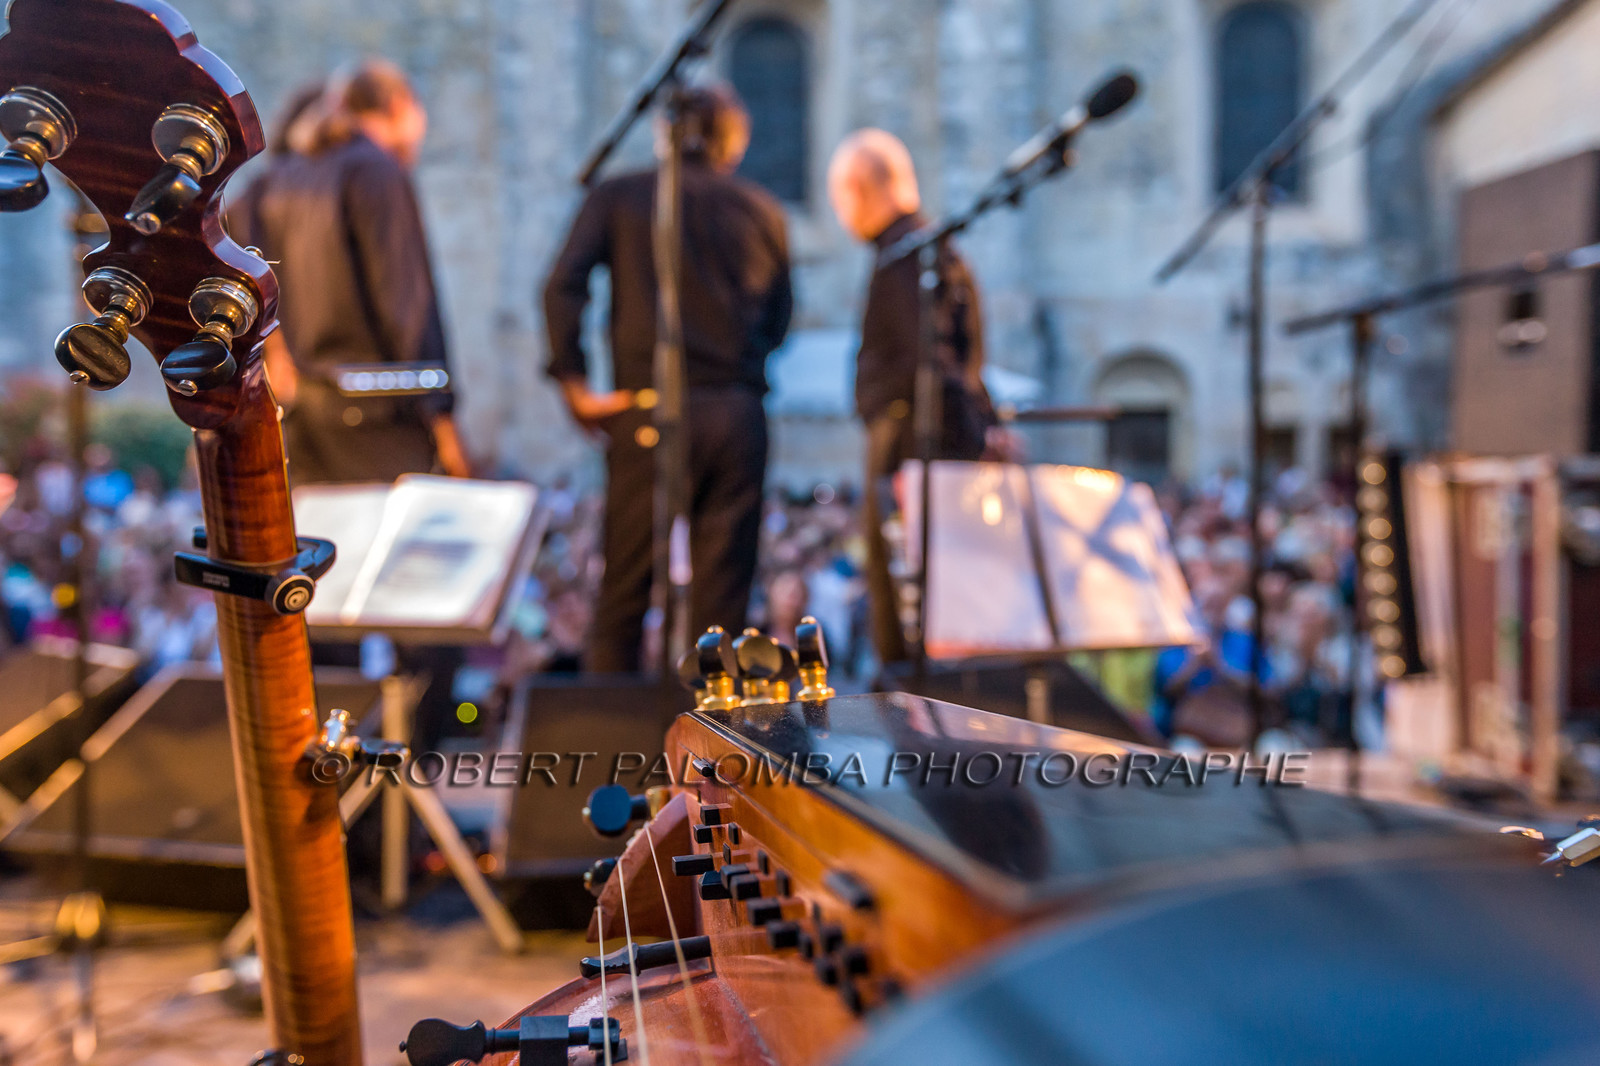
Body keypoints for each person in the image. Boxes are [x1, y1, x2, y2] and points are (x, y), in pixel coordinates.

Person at [542, 83, 793, 674]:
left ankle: (608, 753)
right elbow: (780, 319)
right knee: (722, 606)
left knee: (625, 591)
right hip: (736, 412)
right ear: (733, 142)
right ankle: (712, 752)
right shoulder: (762, 210)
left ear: (664, 135)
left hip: (649, 408)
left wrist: (575, 384)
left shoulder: (622, 197)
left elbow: (562, 287)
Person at [247, 59, 470, 486]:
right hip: (378, 413)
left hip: (305, 411)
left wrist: (277, 359)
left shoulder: (283, 177)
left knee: (327, 548)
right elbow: (407, 305)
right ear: (399, 105)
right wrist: (442, 417)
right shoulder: (376, 170)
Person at [827, 129, 995, 665]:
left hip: (909, 442)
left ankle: (910, 709)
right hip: (927, 434)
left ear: (858, 190)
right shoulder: (933, 249)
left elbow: (934, 356)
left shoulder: (907, 256)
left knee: (905, 597)